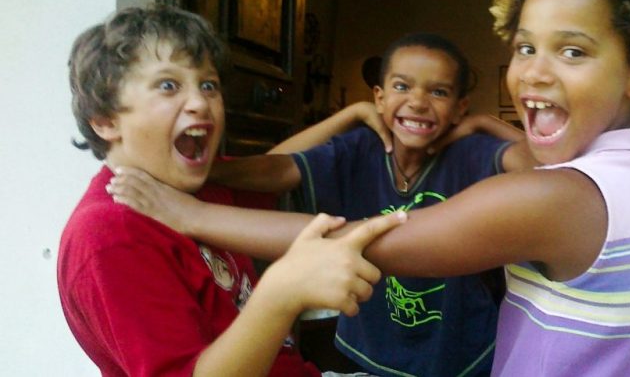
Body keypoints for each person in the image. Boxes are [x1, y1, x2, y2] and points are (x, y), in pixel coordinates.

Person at [110, 0, 630, 375]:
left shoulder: (558, 198)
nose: (533, 73)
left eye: (573, 51)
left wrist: (188, 213)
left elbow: (371, 242)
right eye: (525, 47)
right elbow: (282, 170)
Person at [110, 32, 533, 377]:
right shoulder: (360, 149)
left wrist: (487, 124)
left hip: (457, 351)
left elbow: (545, 172)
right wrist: (203, 173)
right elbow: (280, 169)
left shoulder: (472, 153)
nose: (418, 102)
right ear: (380, 97)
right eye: (402, 87)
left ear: (459, 107)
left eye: (438, 92)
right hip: (373, 345)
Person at [56, 4, 406, 377]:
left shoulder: (194, 183)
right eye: (168, 85)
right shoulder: (111, 237)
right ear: (106, 121)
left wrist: (347, 117)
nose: (200, 103)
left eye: (208, 85)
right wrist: (281, 294)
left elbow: (273, 165)